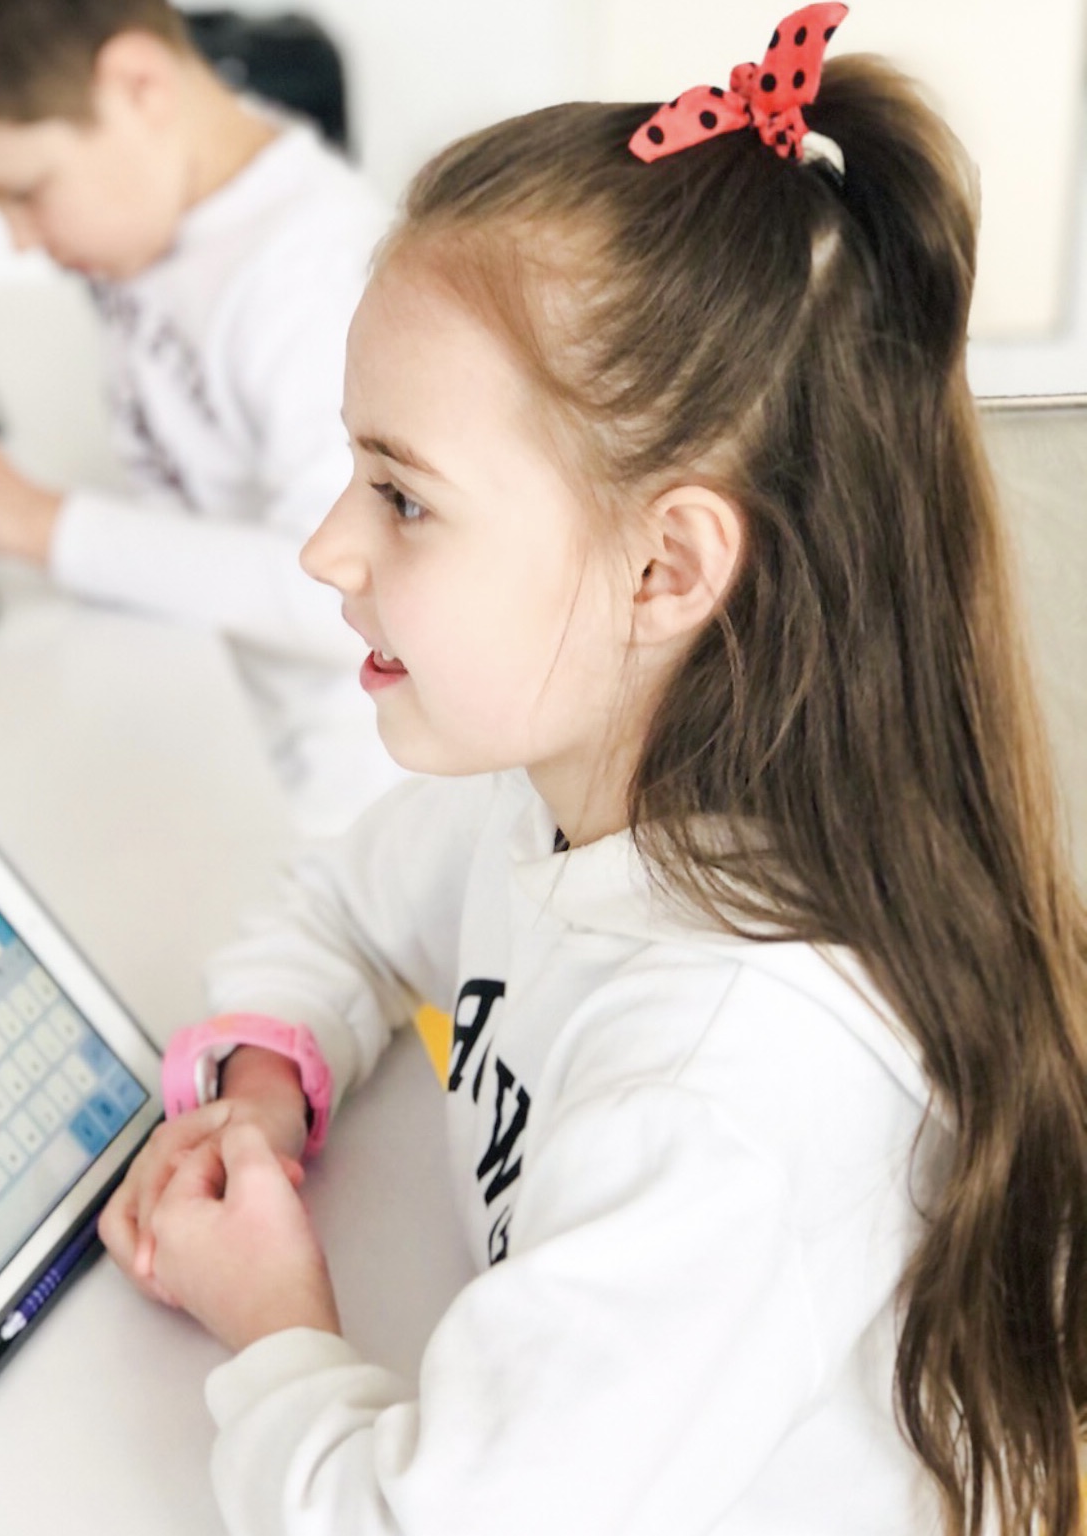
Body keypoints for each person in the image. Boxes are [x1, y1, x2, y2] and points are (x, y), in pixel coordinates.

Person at [98, 7, 1087, 1534]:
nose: (326, 549)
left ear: (664, 569)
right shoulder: (551, 798)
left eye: (402, 497)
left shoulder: (725, 1092)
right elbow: (344, 906)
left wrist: (274, 1320)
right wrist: (263, 1085)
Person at [0, 0, 403, 837]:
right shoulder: (157, 225)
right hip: (226, 737)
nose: (20, 239)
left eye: (26, 193)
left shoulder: (313, 279)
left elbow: (347, 593)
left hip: (343, 808)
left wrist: (36, 521)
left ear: (141, 86)